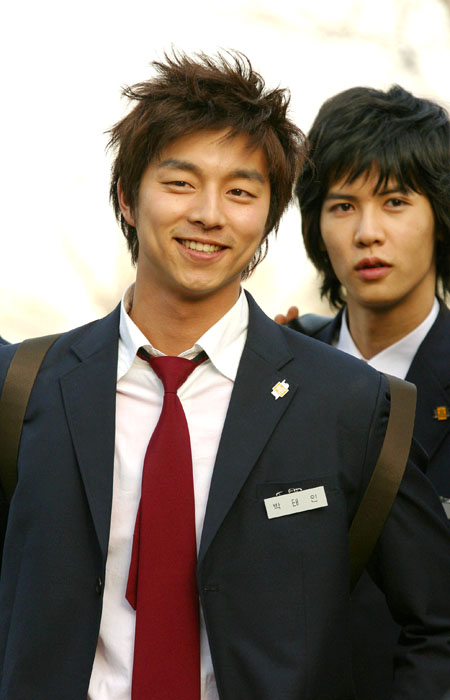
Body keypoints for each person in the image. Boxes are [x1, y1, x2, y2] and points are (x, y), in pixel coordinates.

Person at [0, 56, 450, 700]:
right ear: (127, 197)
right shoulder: (24, 387)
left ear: (269, 216)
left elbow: (435, 623)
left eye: (241, 192)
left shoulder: (350, 403)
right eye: (181, 183)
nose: (210, 214)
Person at [276, 84, 450, 699]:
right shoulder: (277, 373)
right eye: (343, 205)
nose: (368, 232)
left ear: (439, 216)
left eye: (395, 201)